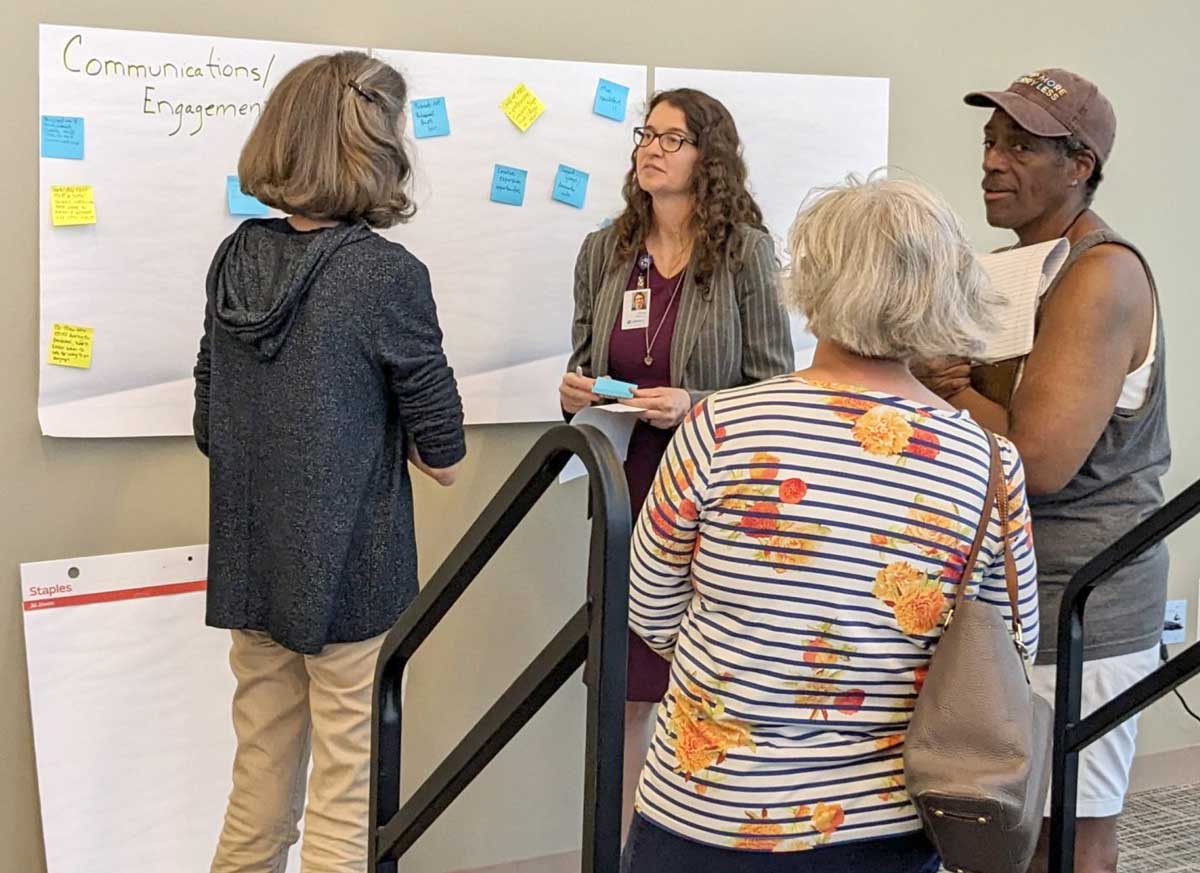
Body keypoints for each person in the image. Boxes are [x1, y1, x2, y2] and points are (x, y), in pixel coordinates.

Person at [622, 176, 1039, 873]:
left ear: (810, 280)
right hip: (886, 824)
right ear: (943, 291)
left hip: (704, 806)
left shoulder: (720, 426)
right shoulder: (989, 463)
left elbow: (649, 605)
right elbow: (1005, 646)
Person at [192, 51, 466, 873]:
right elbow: (444, 454)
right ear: (376, 148)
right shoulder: (386, 275)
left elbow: (211, 420)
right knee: (347, 792)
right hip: (353, 574)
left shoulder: (237, 256)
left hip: (252, 573)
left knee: (259, 780)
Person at [913, 69, 1169, 873]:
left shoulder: (1101, 275)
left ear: (1080, 163)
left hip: (1082, 594)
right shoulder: (1010, 266)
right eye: (991, 141)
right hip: (1009, 595)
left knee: (1070, 832)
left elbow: (1039, 461)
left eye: (1020, 145)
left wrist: (940, 380)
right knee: (1004, 825)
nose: (992, 161)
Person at [558, 87, 795, 838]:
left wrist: (691, 403)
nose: (650, 150)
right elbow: (584, 362)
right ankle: (624, 846)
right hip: (626, 492)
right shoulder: (605, 251)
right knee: (624, 688)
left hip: (711, 497)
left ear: (709, 157)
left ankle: (700, 841)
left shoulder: (746, 255)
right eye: (645, 135)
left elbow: (775, 388)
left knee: (702, 686)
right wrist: (574, 390)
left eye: (672, 138)